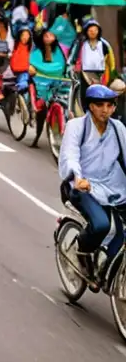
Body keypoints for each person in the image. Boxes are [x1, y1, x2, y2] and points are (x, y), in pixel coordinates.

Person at [58, 84, 126, 283]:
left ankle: (108, 267)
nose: (105, 109)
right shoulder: (77, 126)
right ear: (90, 106)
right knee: (101, 225)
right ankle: (79, 252)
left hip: (115, 187)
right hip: (83, 187)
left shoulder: (119, 128)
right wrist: (77, 177)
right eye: (99, 104)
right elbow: (70, 155)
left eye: (109, 105)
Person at [73, 19, 126, 94]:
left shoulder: (104, 44)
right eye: (90, 30)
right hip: (85, 74)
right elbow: (78, 58)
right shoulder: (82, 44)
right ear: (86, 32)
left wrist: (111, 72)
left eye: (95, 30)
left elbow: (111, 60)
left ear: (98, 31)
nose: (93, 32)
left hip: (102, 74)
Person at [30, 26, 69, 106]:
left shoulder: (58, 50)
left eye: (51, 36)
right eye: (46, 36)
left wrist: (44, 68)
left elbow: (61, 65)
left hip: (58, 79)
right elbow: (34, 62)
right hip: (41, 81)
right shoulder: (37, 51)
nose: (48, 38)